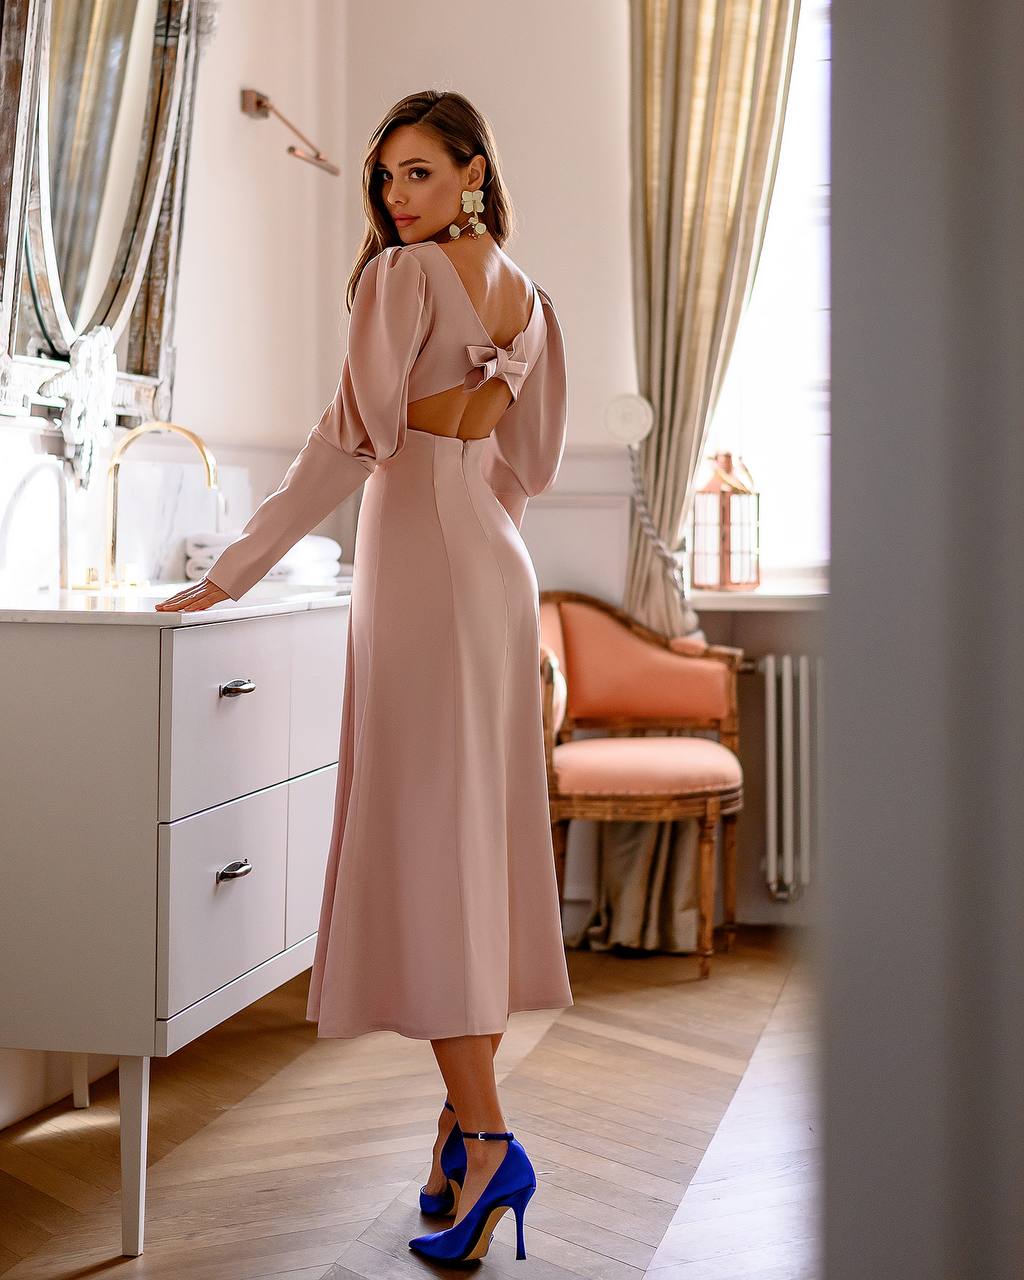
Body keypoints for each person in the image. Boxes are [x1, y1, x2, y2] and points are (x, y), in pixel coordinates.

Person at [156, 89, 573, 1263]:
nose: (396, 196)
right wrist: (470, 525)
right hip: (491, 562)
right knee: (468, 842)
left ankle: (487, 1138)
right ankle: (455, 1130)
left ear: (473, 172)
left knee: (426, 846)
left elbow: (348, 439)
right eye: (386, 176)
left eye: (420, 172)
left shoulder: (401, 279)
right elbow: (529, 463)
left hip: (426, 565)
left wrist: (233, 569)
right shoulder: (532, 296)